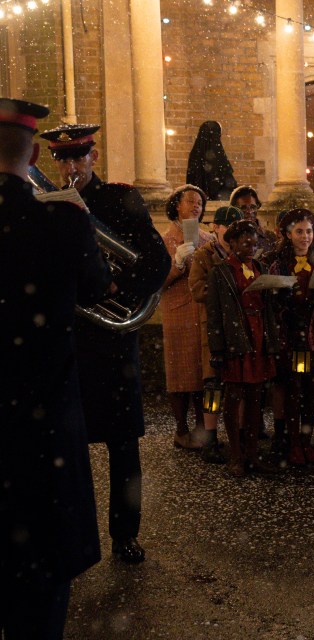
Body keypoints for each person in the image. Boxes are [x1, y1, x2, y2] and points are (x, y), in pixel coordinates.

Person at [0, 98, 111, 639]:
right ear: (36, 150)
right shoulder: (62, 217)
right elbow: (99, 288)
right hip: (43, 430)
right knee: (42, 590)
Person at [40, 122, 170, 564]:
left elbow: (156, 258)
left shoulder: (120, 199)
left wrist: (116, 288)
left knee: (122, 444)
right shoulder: (46, 207)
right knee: (65, 447)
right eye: (63, 159)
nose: (72, 167)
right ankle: (70, 536)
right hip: (69, 339)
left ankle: (124, 535)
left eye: (79, 157)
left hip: (112, 342)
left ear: (93, 157)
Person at [206, 220, 281, 477]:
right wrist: (217, 348)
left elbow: (268, 307)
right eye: (245, 242)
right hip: (236, 337)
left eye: (254, 243)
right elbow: (215, 313)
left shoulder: (259, 267)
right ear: (233, 243)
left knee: (255, 399)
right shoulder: (221, 272)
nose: (251, 247)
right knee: (233, 396)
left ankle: (251, 453)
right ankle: (235, 455)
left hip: (258, 334)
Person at [269, 209, 314, 467]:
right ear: (288, 235)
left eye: (309, 231)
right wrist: (284, 304)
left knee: (311, 389)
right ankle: (293, 442)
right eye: (299, 231)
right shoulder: (280, 265)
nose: (305, 236)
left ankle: (307, 442)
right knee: (293, 389)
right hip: (291, 335)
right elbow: (273, 303)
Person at [188, 205, 243, 464]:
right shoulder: (204, 255)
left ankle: (239, 436)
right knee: (213, 384)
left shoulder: (245, 254)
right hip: (214, 326)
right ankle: (210, 436)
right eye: (226, 226)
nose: (231, 232)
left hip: (239, 328)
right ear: (216, 228)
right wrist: (223, 289)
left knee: (238, 382)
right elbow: (197, 289)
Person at [160, 184, 213, 451]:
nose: (195, 206)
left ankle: (203, 428)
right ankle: (181, 429)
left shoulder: (208, 239)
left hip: (201, 311)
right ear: (176, 206)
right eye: (190, 201)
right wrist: (176, 263)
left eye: (200, 203)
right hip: (177, 312)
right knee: (179, 372)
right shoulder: (164, 239)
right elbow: (158, 282)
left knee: (202, 372)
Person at [186, 120, 237, 200]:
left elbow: (192, 180)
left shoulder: (195, 154)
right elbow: (227, 181)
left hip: (198, 201)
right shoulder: (218, 155)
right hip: (217, 202)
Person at [229, 185, 278, 260]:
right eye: (243, 208)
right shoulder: (229, 237)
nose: (249, 211)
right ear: (235, 210)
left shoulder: (270, 237)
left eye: (252, 207)